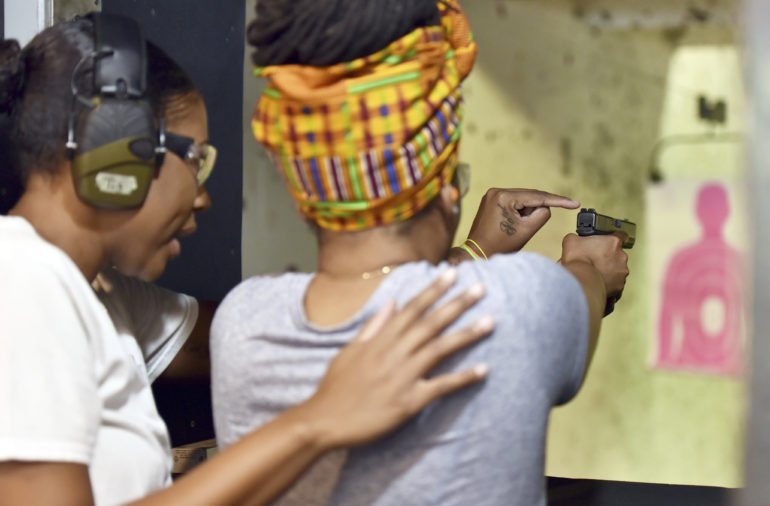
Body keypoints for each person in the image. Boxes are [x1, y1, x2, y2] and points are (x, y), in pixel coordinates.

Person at [0, 14, 497, 506]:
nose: (202, 197)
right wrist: (317, 421)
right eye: (196, 160)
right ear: (117, 150)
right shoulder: (23, 278)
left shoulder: (100, 297)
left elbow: (308, 332)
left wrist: (469, 252)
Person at [211, 1, 630, 505]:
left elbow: (385, 291)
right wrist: (590, 265)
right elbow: (579, 290)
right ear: (446, 184)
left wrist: (475, 250)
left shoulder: (242, 325)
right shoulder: (519, 305)